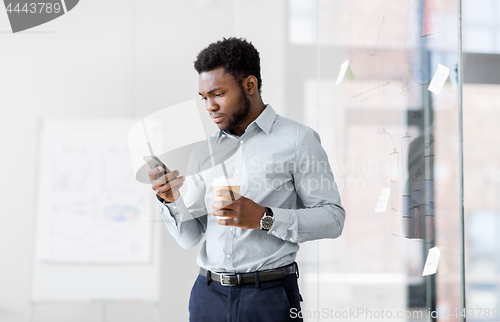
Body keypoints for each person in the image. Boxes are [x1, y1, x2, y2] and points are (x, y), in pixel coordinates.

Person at [148, 37, 346, 322]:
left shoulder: (298, 140)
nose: (210, 106)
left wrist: (264, 217)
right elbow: (189, 237)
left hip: (270, 297)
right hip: (207, 297)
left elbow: (333, 219)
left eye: (218, 94)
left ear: (249, 86)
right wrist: (171, 201)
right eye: (204, 98)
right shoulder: (205, 151)